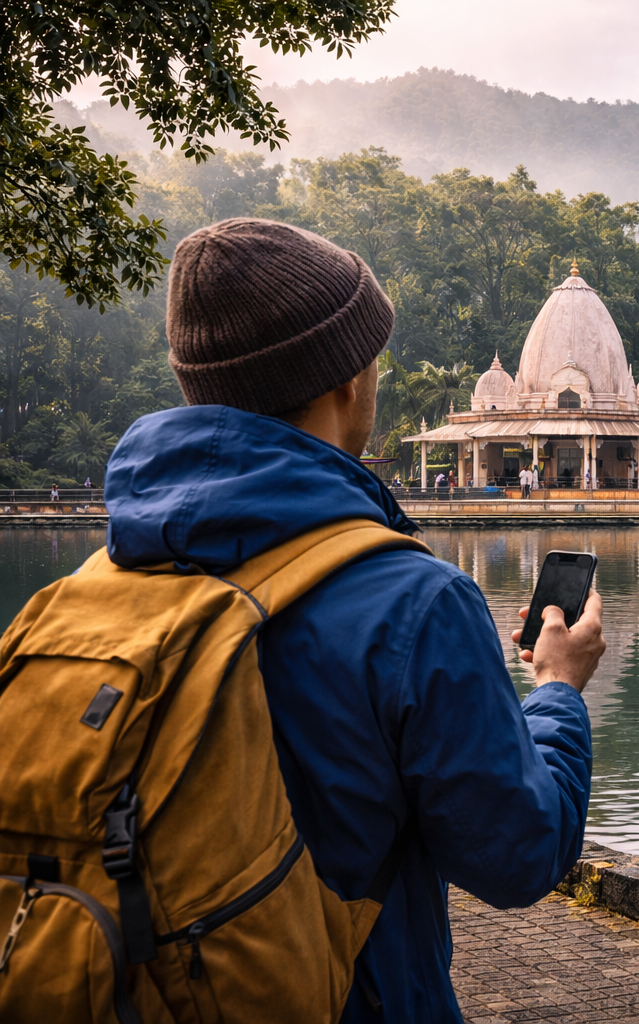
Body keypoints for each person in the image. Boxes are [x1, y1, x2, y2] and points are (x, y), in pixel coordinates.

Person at [104, 218, 601, 1021]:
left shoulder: (111, 575)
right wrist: (556, 688)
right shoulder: (411, 603)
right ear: (347, 382)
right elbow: (518, 854)